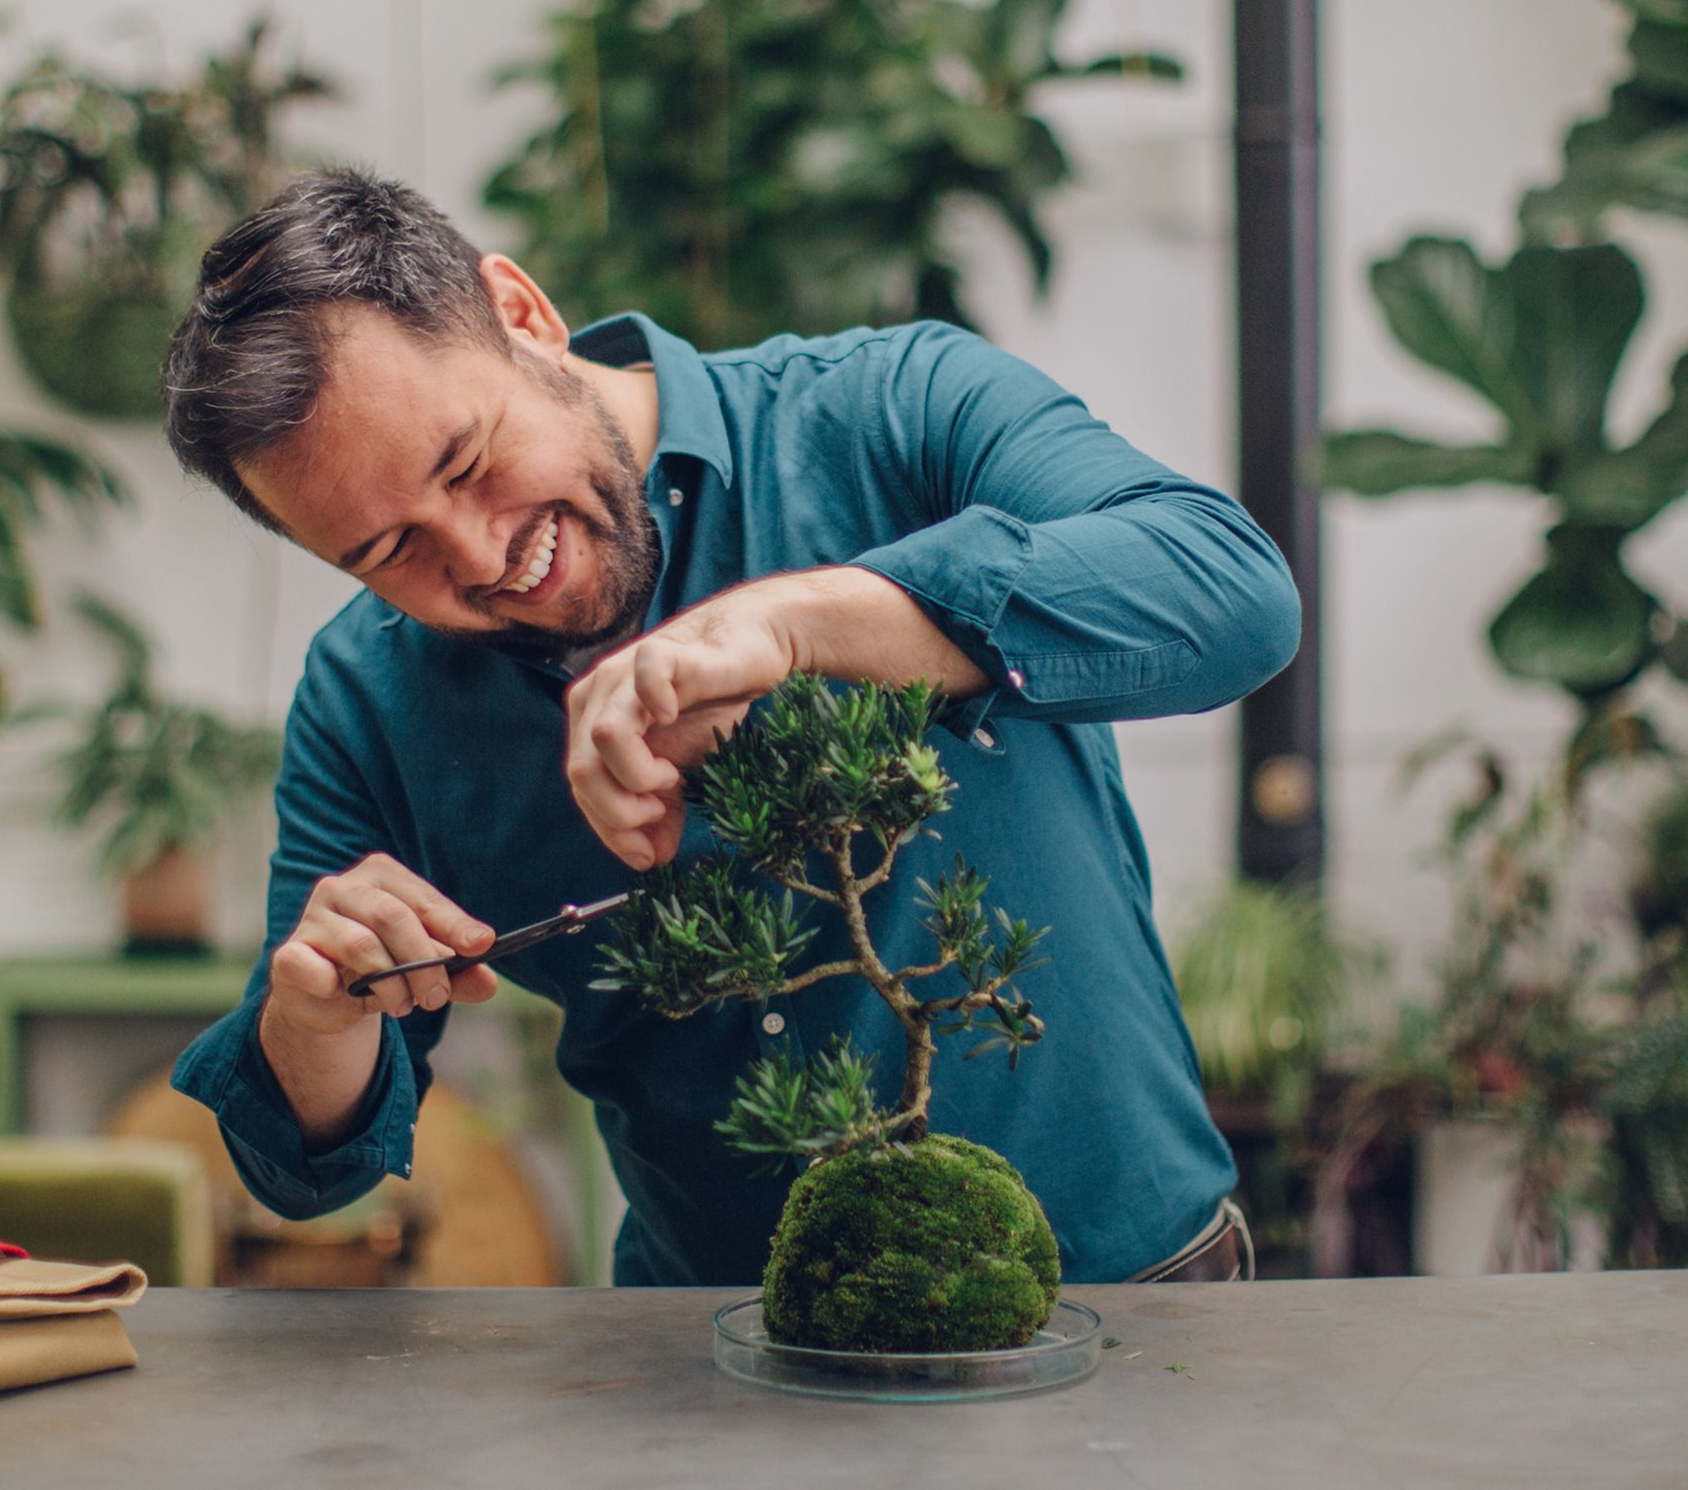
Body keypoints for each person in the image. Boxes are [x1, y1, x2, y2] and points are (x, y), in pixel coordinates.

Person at [162, 167, 1297, 1287]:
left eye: (465, 463)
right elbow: (304, 1168)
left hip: (1123, 1295)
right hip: (709, 1349)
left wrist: (809, 621)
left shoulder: (893, 410)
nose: (481, 556)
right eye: (388, 552)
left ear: (520, 313)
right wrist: (318, 1023)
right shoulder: (367, 697)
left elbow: (1233, 594)